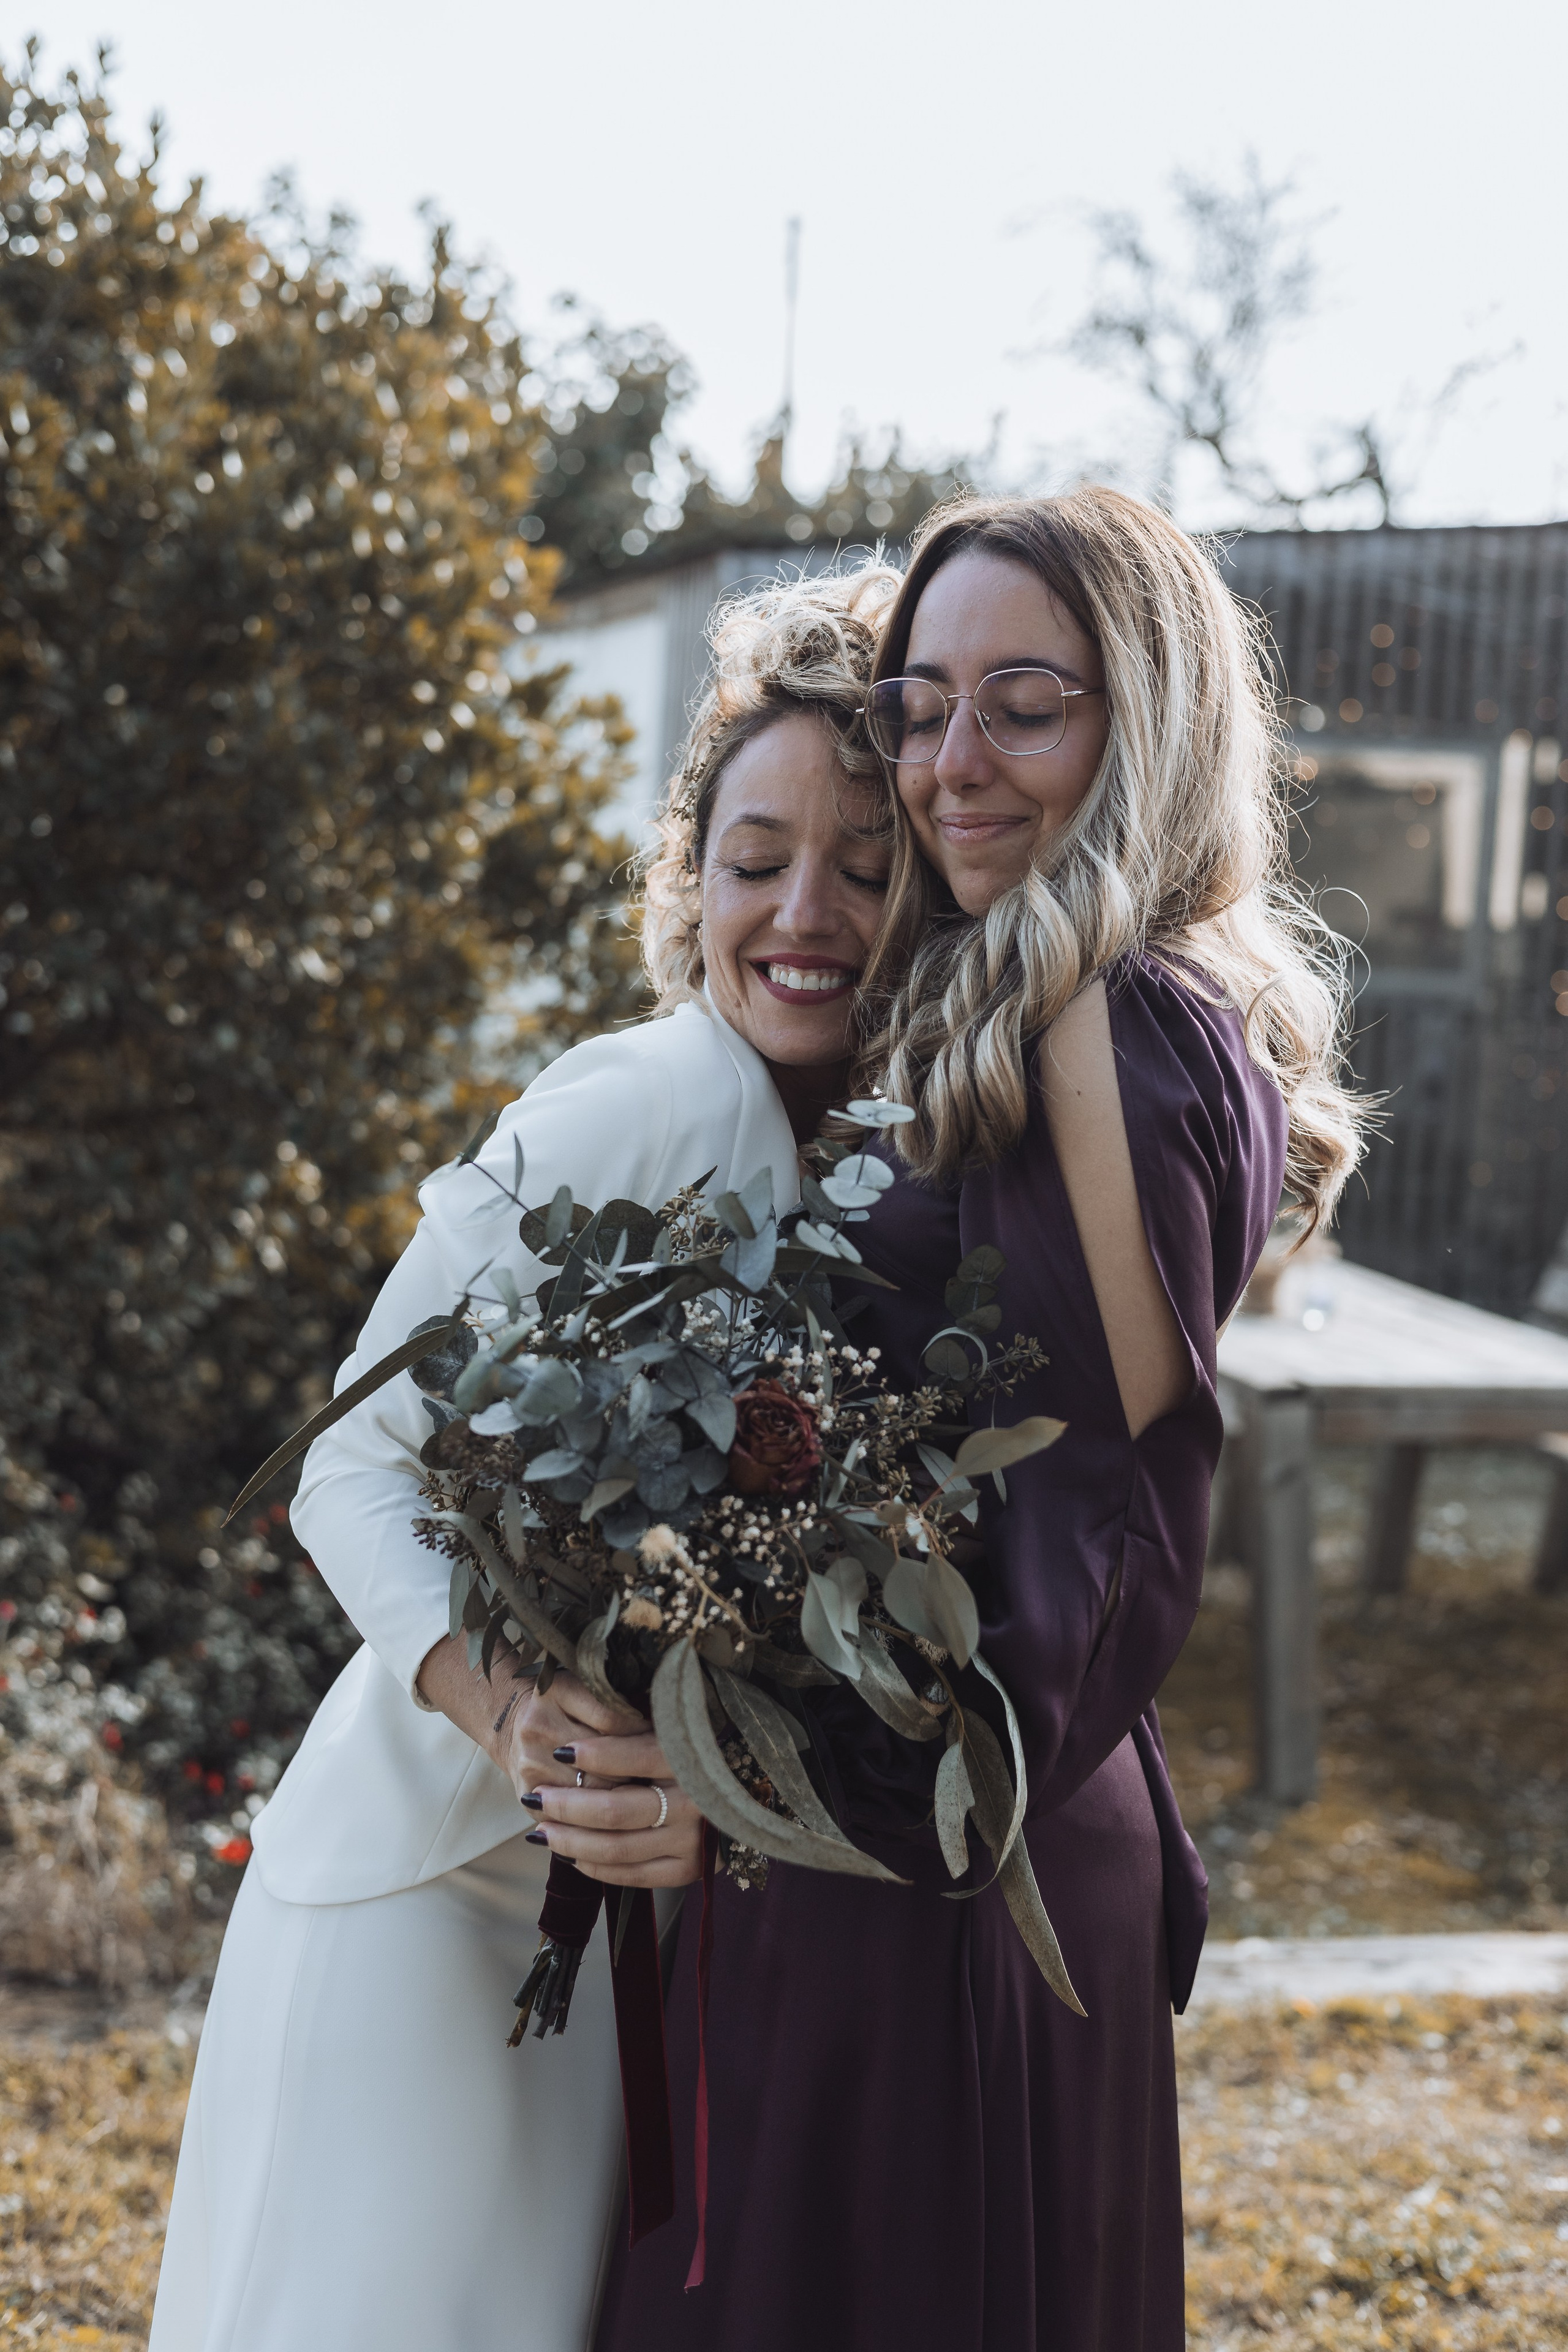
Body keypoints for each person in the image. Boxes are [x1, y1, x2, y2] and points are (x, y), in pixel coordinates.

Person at [586, 488, 1365, 2351]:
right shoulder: (1020, 1002)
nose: (952, 763)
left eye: (1027, 705)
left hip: (944, 1863)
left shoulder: (1124, 1025)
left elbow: (1105, 1548)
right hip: (908, 1841)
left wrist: (762, 1804)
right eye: (924, 706)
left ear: (1151, 715)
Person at [146, 557, 902, 2352]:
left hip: (599, 1922)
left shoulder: (863, 1157)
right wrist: (517, 1718)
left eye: (868, 868)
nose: (805, 910)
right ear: (687, 880)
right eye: (753, 860)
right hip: (431, 1887)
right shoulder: (649, 1095)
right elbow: (349, 1456)